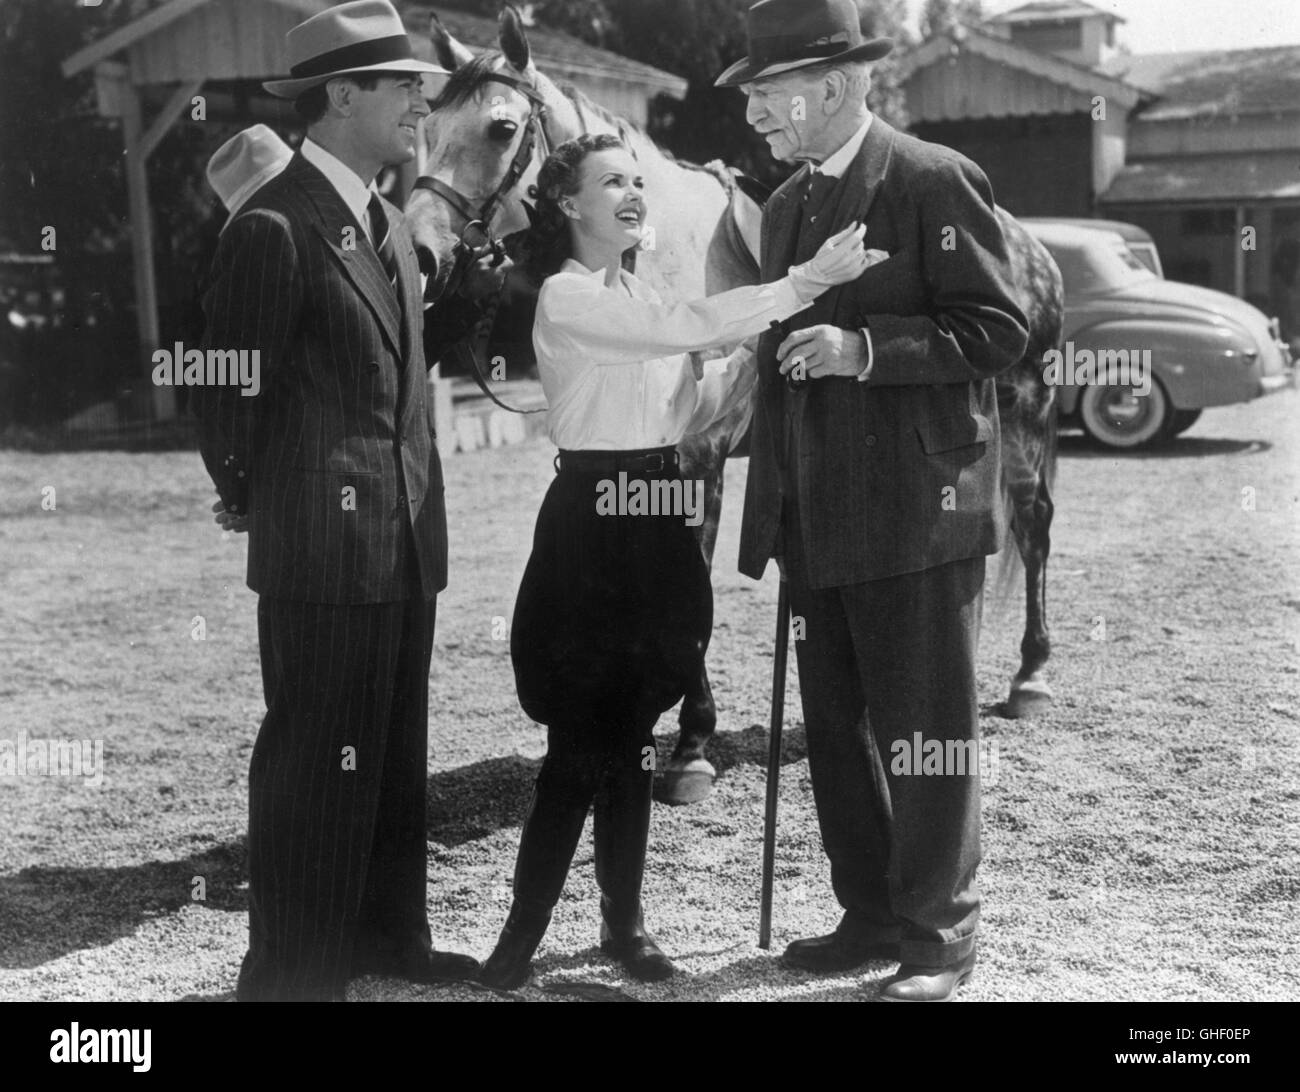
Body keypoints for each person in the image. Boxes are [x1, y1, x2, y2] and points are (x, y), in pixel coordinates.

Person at [478, 132, 870, 990]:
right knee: (579, 742)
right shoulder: (567, 296)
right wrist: (803, 284)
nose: (630, 194)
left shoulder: (638, 291)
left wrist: (744, 366)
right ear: (568, 205)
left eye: (634, 180)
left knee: (634, 738)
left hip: (659, 511)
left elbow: (688, 402)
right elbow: (680, 326)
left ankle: (626, 925)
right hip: (591, 518)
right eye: (608, 182)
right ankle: (519, 938)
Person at [716, 0, 1030, 1002]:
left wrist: (864, 351)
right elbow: (773, 358)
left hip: (918, 511)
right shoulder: (784, 209)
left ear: (841, 85)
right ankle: (868, 914)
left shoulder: (934, 179)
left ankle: (940, 938)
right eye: (753, 99)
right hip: (819, 516)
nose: (756, 119)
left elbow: (996, 329)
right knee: (839, 732)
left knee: (925, 731)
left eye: (771, 97)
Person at [193, 0, 478, 1001]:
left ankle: (388, 940)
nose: (419, 103)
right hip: (322, 546)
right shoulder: (274, 224)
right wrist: (252, 494)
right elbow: (221, 384)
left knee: (394, 755)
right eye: (402, 85)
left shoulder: (388, 220)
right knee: (316, 762)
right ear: (341, 95)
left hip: (403, 543)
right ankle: (293, 973)